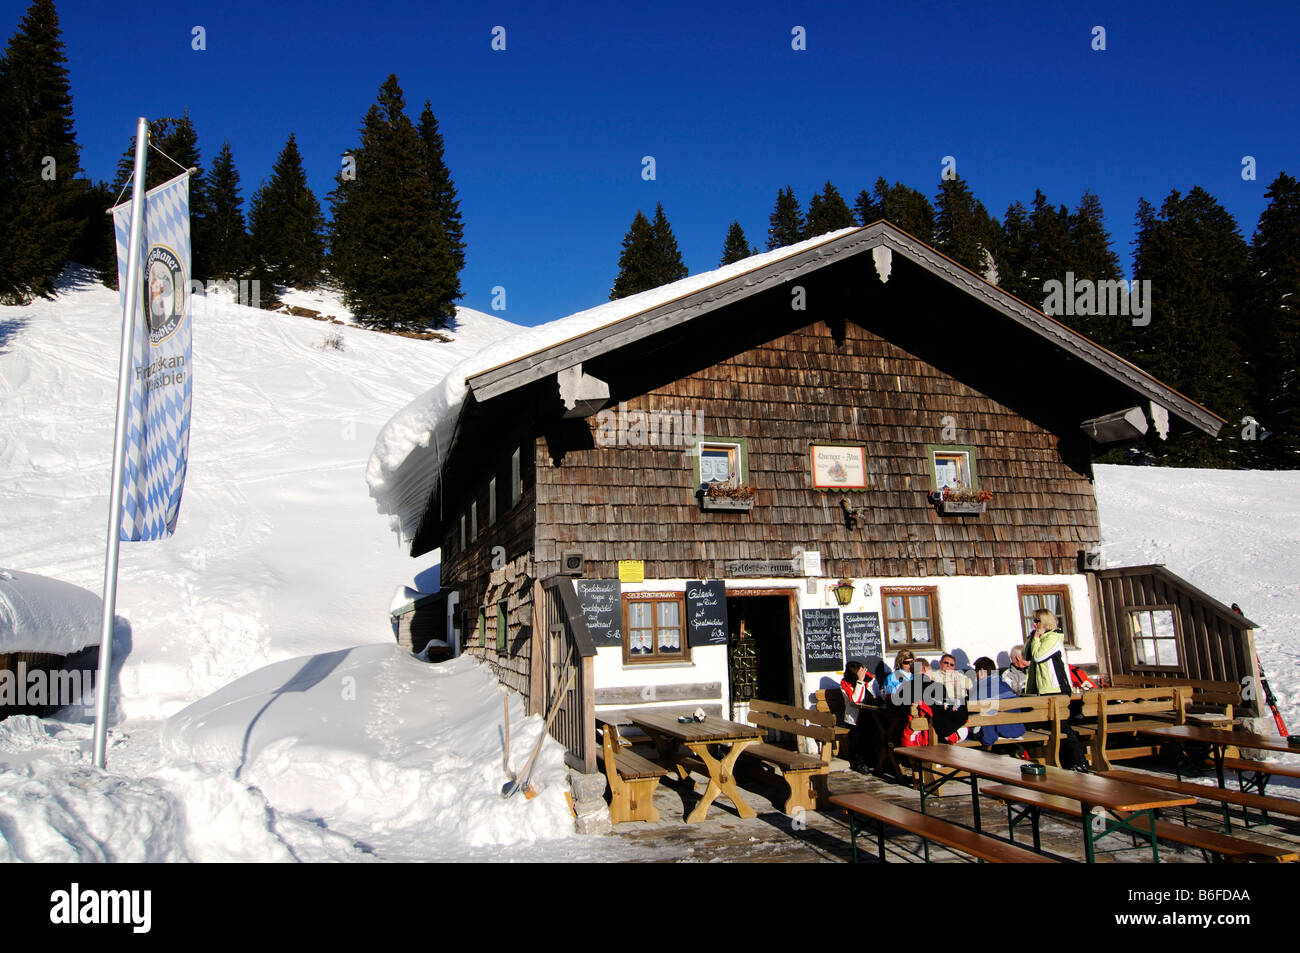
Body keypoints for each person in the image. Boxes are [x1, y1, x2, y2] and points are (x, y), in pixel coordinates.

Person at [970, 656, 1026, 746]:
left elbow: (971, 713)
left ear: (982, 671)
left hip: (994, 732)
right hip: (1015, 729)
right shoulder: (1005, 686)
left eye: (975, 671)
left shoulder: (981, 689)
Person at [1025, 610, 1070, 695]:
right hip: (1040, 688)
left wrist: (1036, 638)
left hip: (1054, 689)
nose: (1034, 624)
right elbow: (1026, 656)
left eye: (1037, 621)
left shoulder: (1053, 637)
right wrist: (1033, 637)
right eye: (1033, 621)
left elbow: (1038, 657)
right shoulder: (1039, 638)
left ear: (1045, 621)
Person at [840, 661, 873, 773]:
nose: (864, 672)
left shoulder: (866, 680)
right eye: (861, 670)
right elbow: (856, 699)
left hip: (869, 715)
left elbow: (874, 691)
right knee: (858, 738)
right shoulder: (845, 685)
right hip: (854, 719)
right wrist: (860, 681)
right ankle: (859, 762)